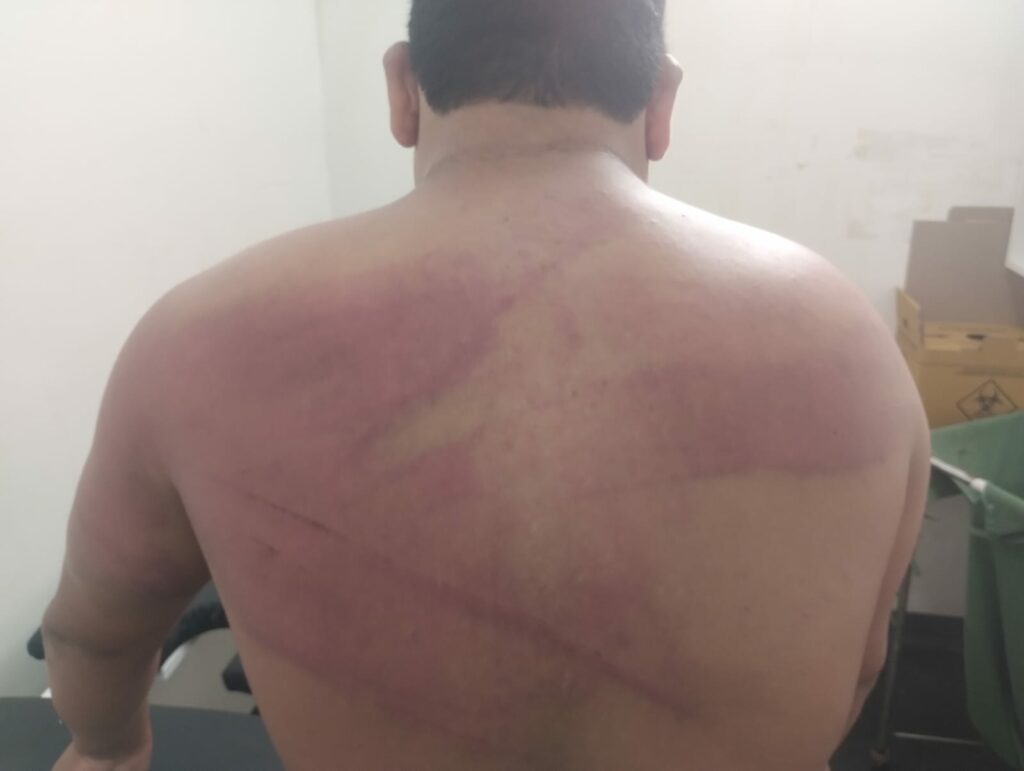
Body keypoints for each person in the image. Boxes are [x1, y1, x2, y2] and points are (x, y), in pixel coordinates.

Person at [42, 0, 929, 769]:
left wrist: (108, 744)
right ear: (661, 103)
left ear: (401, 90)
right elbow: (857, 668)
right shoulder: (849, 343)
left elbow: (90, 635)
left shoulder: (198, 338)